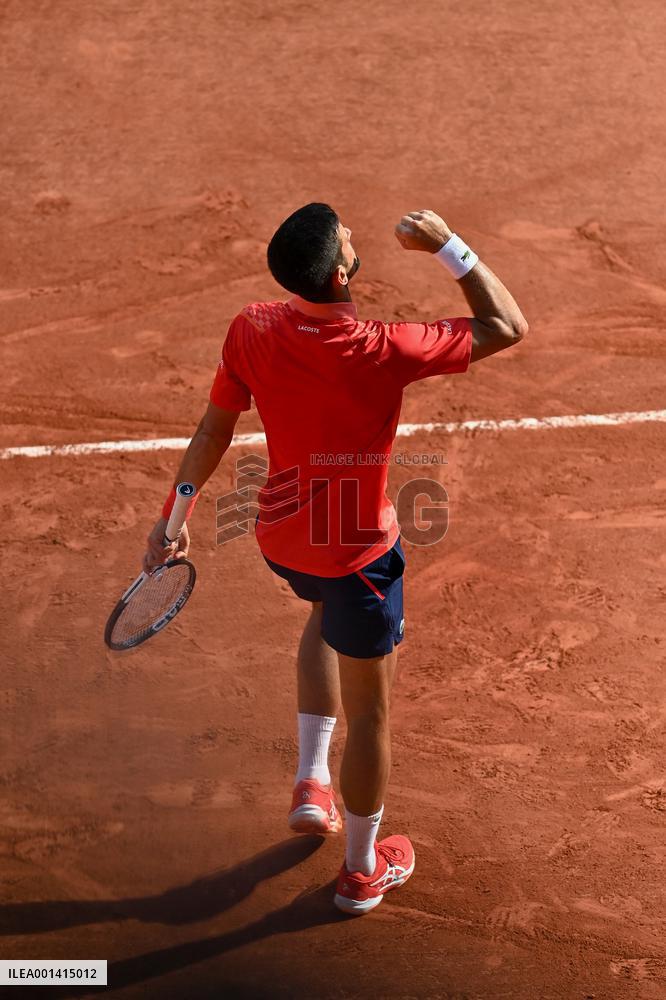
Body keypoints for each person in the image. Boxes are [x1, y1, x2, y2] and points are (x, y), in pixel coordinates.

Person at [143, 204, 528, 915]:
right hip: (359, 562)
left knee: (321, 615)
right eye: (348, 237)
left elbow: (212, 428)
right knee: (372, 716)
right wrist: (449, 247)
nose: (353, 236)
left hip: (281, 542)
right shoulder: (380, 347)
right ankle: (360, 870)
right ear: (343, 272)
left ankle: (310, 783)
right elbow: (507, 325)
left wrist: (175, 520)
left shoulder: (251, 327)